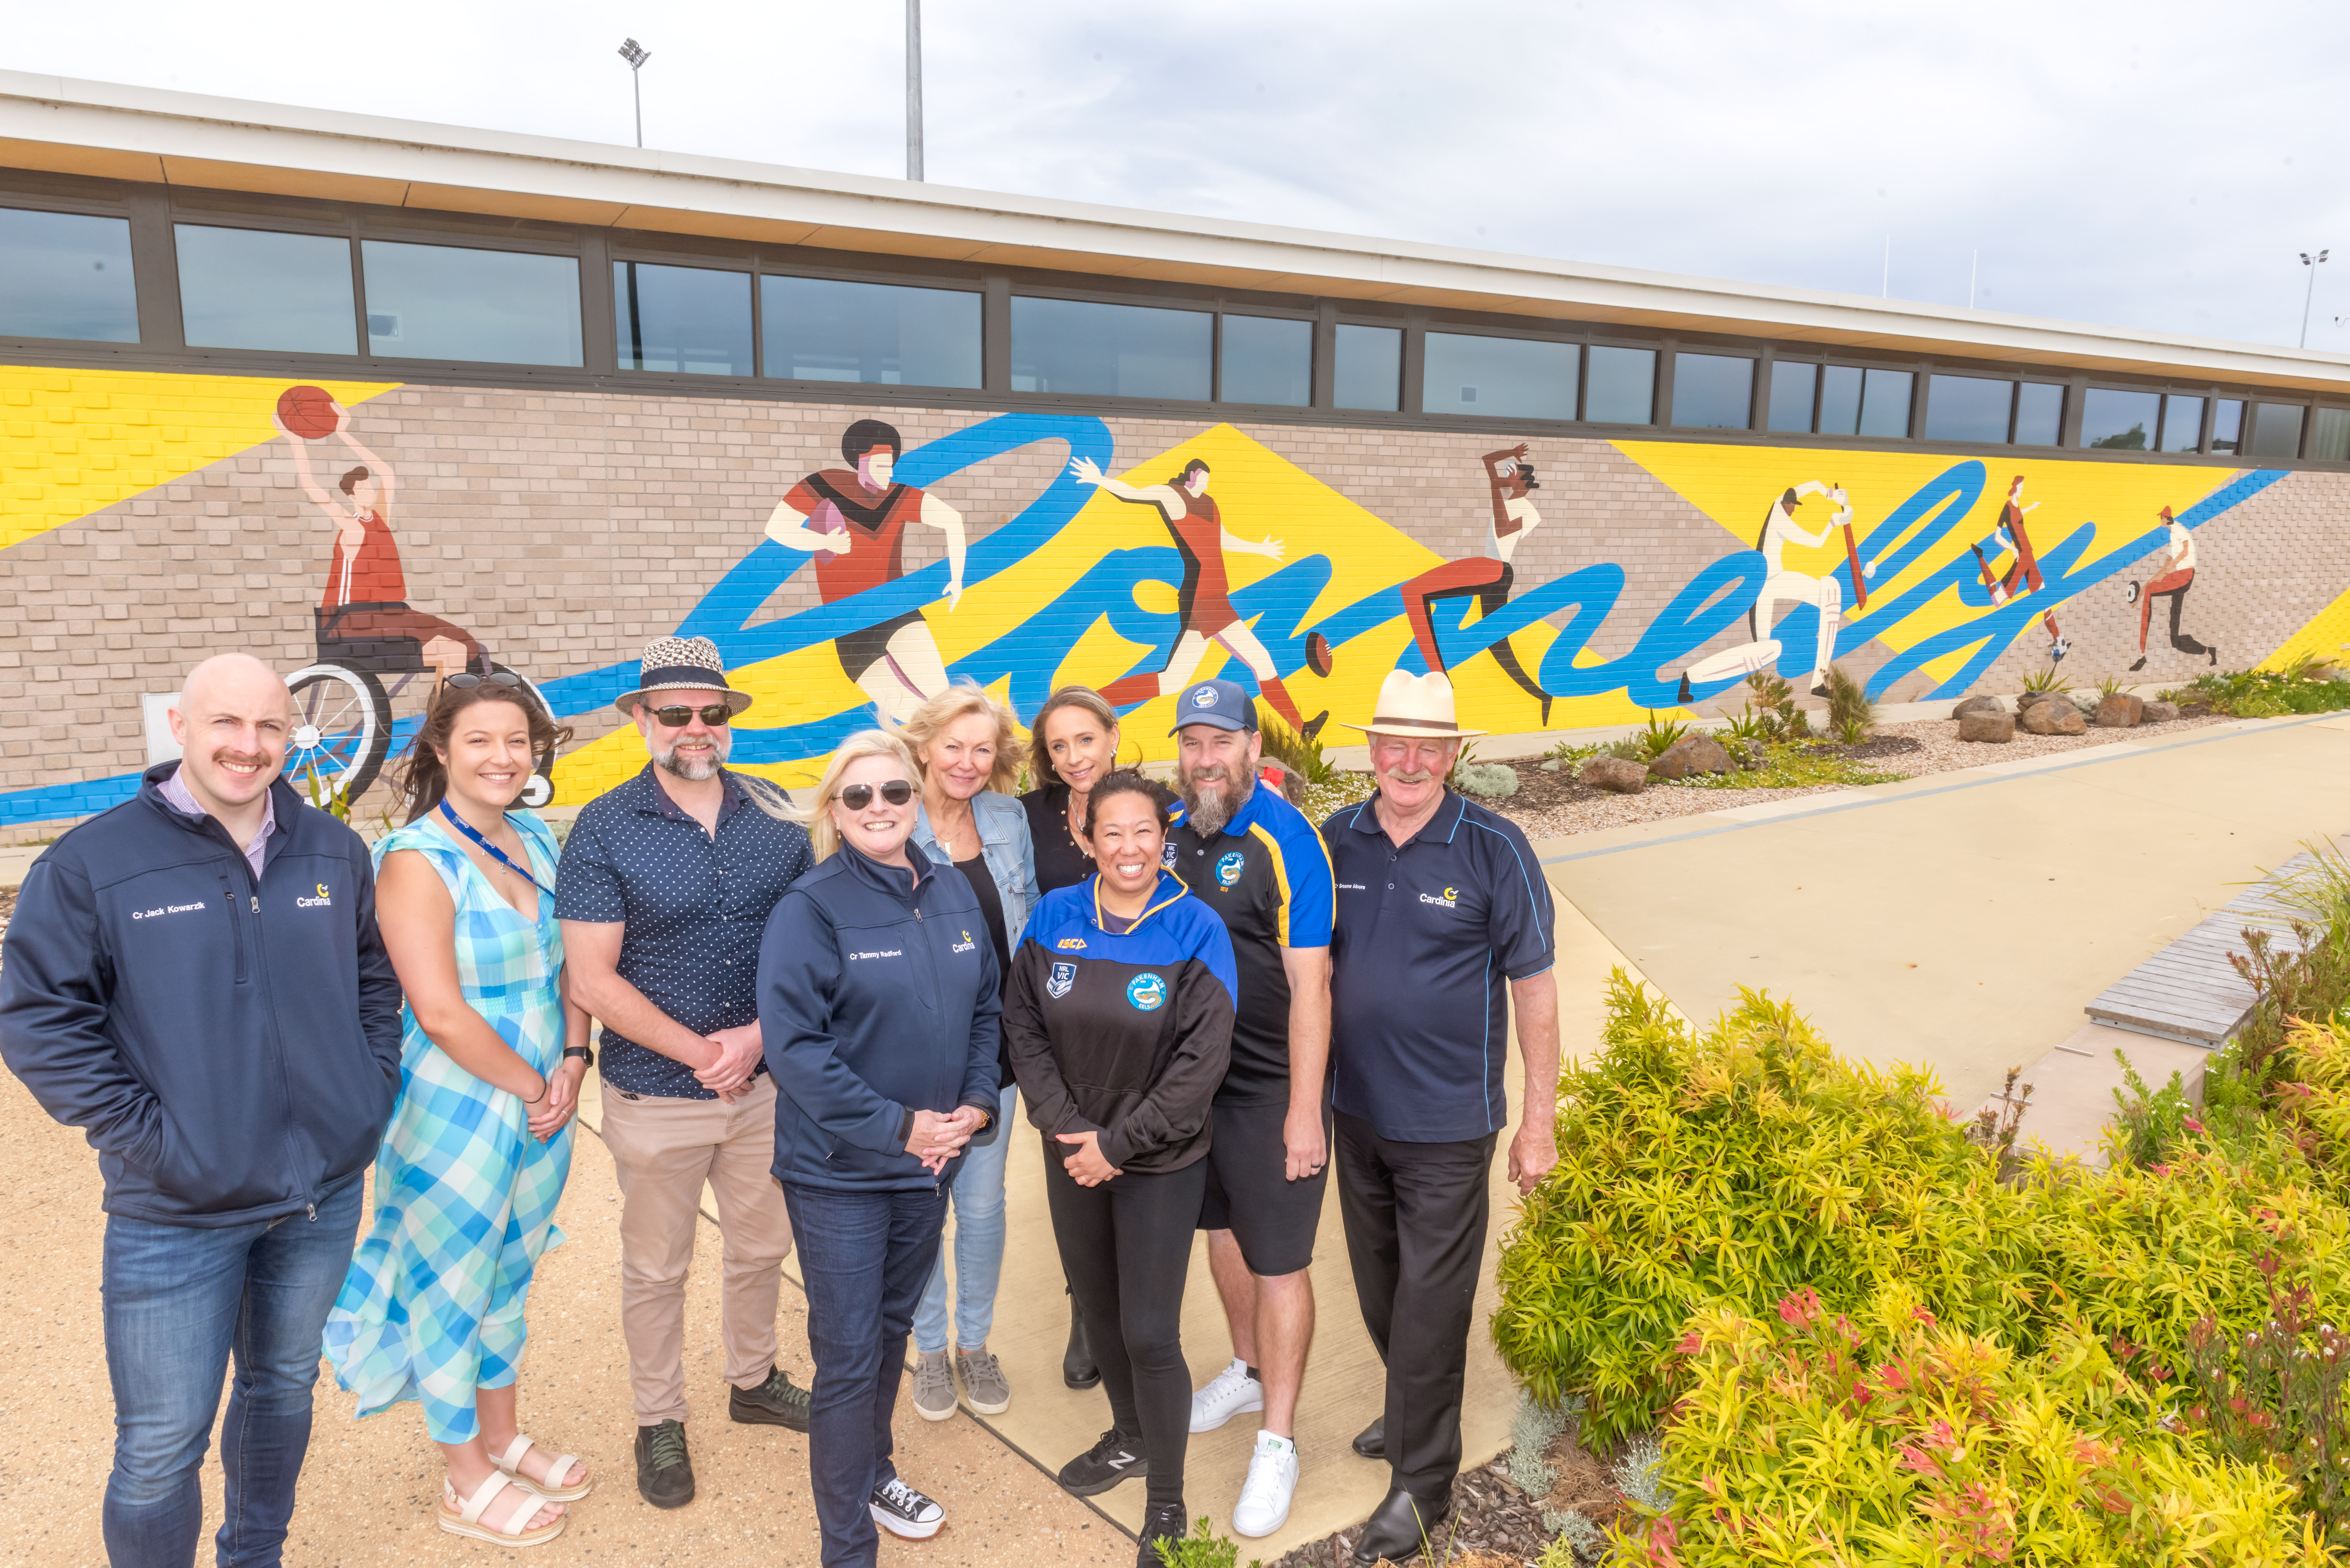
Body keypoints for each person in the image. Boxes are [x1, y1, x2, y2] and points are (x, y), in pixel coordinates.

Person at [0, 653, 402, 1568]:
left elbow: (374, 982)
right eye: (226, 724)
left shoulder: (333, 850)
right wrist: (153, 1142)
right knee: (156, 1451)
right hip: (176, 1214)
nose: (248, 746)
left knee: (282, 1393)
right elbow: (38, 1021)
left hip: (318, 1198)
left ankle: (253, 1556)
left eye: (269, 727)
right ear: (179, 728)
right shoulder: (94, 862)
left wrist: (365, 1093)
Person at [324, 676, 590, 1545]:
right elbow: (437, 1010)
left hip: (547, 1091)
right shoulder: (413, 859)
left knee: (512, 1270)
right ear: (442, 749)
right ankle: (463, 1473)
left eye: (518, 742)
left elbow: (571, 969)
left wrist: (574, 1062)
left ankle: (503, 1434)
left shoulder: (539, 841)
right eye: (481, 741)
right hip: (460, 1099)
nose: (503, 758)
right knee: (450, 1282)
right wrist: (532, 1084)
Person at [555, 635, 815, 1510]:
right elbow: (591, 978)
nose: (695, 729)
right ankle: (658, 1419)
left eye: (711, 714)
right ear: (642, 721)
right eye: (675, 714)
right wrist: (708, 1052)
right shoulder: (602, 826)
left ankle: (753, 1381)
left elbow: (814, 950)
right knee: (657, 1267)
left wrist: (757, 1039)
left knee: (760, 1247)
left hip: (765, 1086)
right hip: (657, 1095)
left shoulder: (777, 818)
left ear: (729, 723)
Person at [1320, 671, 1561, 1566]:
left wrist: (1538, 1124)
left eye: (1429, 745)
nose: (1409, 760)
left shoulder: (1497, 848)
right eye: (1394, 743)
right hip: (1356, 1111)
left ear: (1456, 755)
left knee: (1431, 1302)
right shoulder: (1335, 839)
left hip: (1451, 1122)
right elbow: (1304, 966)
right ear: (1372, 751)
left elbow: (1535, 990)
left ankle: (1425, 1483)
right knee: (1383, 1290)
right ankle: (1414, 1410)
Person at [758, 730, 1004, 1568]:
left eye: (894, 792)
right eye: (858, 796)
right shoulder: (812, 907)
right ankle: (848, 1549)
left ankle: (875, 1470)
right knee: (851, 1352)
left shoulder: (949, 892)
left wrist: (973, 1106)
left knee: (893, 1330)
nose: (879, 809)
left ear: (916, 795)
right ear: (834, 809)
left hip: (929, 1164)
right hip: (841, 1175)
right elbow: (795, 1051)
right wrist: (903, 1127)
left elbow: (983, 1011)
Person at [1004, 768, 1239, 1568]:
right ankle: (1129, 1435)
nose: (1129, 847)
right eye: (1112, 832)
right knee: (1100, 1319)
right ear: (1085, 838)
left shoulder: (1195, 927)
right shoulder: (1054, 917)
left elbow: (1199, 1065)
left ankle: (1166, 1498)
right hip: (1073, 1153)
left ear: (1163, 837)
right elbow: (1022, 1027)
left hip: (1159, 1161)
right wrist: (1070, 1130)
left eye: (1144, 831)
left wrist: (1117, 1144)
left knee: (1148, 1332)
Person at [1163, 677, 1337, 1540]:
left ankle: (1279, 1438)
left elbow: (1313, 986)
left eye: (1220, 742)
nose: (1205, 759)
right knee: (1221, 1234)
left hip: (1271, 1091)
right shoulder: (1163, 829)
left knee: (1279, 1260)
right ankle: (1246, 1367)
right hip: (1195, 1091)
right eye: (1192, 742)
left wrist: (1305, 1111)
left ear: (1252, 751)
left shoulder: (1285, 838)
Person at [900, 683, 1038, 1421]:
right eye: (952, 745)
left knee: (982, 1205)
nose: (966, 760)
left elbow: (1031, 930)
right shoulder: (888, 814)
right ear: (923, 746)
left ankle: (973, 1343)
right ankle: (928, 1347)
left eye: (981, 747)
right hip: (916, 1056)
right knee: (924, 1201)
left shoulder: (1007, 819)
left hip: (997, 1051)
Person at [1070, 455, 1329, 741]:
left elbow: (1224, 538)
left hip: (1215, 594)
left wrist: (1260, 549)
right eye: (1202, 478)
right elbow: (1134, 493)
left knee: (1172, 680)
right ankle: (1302, 728)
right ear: (1192, 475)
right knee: (1261, 660)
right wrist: (1099, 479)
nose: (1205, 484)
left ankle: (1087, 704)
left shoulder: (1210, 503)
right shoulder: (1172, 496)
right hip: (1204, 597)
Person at [765, 419, 968, 724]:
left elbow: (952, 520)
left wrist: (957, 580)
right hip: (848, 627)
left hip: (897, 611)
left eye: (892, 465)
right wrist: (823, 540)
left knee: (941, 701)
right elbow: (777, 527)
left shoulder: (899, 497)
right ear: (862, 460)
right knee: (908, 714)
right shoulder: (824, 485)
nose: (889, 473)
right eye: (882, 464)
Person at [276, 398, 483, 690]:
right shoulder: (352, 528)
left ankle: (442, 726)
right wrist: (296, 441)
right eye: (362, 489)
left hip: (393, 613)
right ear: (351, 497)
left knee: (460, 648)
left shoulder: (379, 520)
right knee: (448, 647)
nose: (370, 492)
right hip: (352, 620)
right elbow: (313, 487)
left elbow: (387, 473)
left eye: (369, 487)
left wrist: (345, 432)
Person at [1675, 482, 1878, 703]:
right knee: (1766, 650)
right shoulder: (1781, 521)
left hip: (1775, 579)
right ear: (1786, 504)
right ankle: (1691, 676)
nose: (1794, 510)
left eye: (1795, 506)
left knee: (1830, 593)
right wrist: (1834, 522)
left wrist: (1830, 493)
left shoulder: (1777, 504)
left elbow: (1809, 486)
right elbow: (1817, 542)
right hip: (1770, 583)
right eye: (1792, 506)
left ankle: (1819, 681)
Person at [1394, 445, 1553, 723]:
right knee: (1498, 645)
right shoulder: (1511, 495)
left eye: (1513, 473)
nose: (1508, 474)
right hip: (1493, 570)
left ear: (1523, 482)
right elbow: (1487, 460)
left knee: (1412, 591)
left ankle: (1440, 678)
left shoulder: (1528, 510)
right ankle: (1542, 696)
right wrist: (1511, 452)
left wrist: (1496, 489)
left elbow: (1504, 529)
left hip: (1495, 568)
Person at [1968, 474, 2069, 664]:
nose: (2022, 489)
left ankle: (2058, 640)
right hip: (2023, 556)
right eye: (2020, 487)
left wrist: (2031, 507)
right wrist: (2012, 548)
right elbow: (1998, 535)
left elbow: (2018, 517)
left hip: (2029, 555)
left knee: (2041, 599)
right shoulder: (2007, 507)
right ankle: (1981, 557)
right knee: (2001, 600)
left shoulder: (2015, 508)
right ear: (2014, 488)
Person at [2129, 506, 2216, 671]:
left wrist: (2165, 574)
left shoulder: (2177, 530)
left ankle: (2142, 655)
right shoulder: (2172, 536)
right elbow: (2165, 566)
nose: (2160, 520)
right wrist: (2141, 593)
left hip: (2185, 575)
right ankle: (2208, 651)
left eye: (2161, 518)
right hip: (2181, 575)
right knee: (2174, 637)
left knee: (2151, 592)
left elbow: (2185, 553)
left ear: (2167, 519)